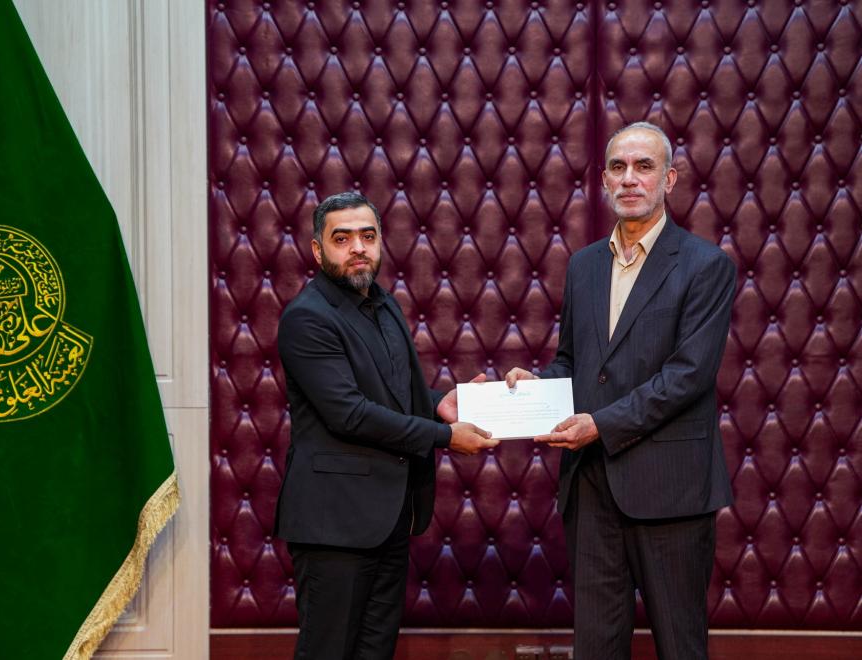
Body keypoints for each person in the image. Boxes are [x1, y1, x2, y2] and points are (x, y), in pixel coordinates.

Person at [506, 122, 736, 659]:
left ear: (669, 179)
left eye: (644, 166)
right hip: (591, 489)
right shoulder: (584, 265)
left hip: (672, 490)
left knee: (680, 646)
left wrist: (599, 425)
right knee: (596, 649)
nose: (629, 178)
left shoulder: (706, 266)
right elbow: (574, 362)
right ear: (605, 180)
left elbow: (688, 376)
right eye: (618, 167)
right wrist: (537, 386)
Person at [275, 191, 498, 659]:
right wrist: (444, 437)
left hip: (389, 517)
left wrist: (439, 404)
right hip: (334, 524)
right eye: (342, 238)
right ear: (317, 250)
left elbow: (395, 396)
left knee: (375, 651)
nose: (358, 247)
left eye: (367, 236)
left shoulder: (384, 303)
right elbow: (350, 413)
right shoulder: (307, 318)